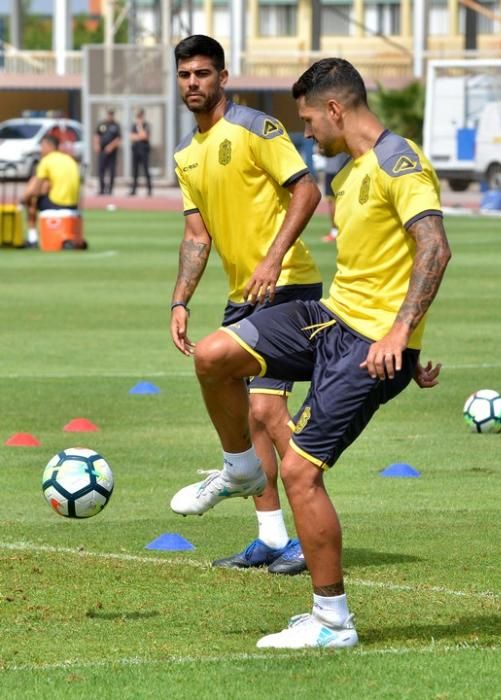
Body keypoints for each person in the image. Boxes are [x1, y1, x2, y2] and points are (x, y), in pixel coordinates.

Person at [171, 58, 452, 648]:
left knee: (299, 471)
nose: (305, 134)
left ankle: (332, 623)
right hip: (332, 321)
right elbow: (385, 266)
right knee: (215, 355)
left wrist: (401, 338)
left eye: (307, 120)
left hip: (371, 345)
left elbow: (434, 248)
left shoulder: (399, 160)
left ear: (334, 108)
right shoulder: (349, 174)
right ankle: (241, 467)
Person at [169, 35, 323, 576]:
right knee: (252, 417)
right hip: (242, 296)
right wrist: (180, 299)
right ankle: (271, 538)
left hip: (288, 287)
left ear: (223, 77)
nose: (194, 83)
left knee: (267, 412)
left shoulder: (257, 128)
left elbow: (306, 190)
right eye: (186, 74)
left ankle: (309, 538)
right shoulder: (186, 154)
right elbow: (196, 235)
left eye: (203, 74)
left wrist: (273, 260)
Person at [20, 134, 80, 248]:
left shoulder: (46, 161)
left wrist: (24, 199)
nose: (41, 150)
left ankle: (32, 239)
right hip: (73, 204)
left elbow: (35, 188)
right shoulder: (69, 159)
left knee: (31, 201)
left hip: (56, 203)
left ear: (49, 146)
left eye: (42, 146)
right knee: (45, 186)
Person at [93, 108, 121, 195]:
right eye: (109, 114)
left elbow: (118, 138)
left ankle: (110, 190)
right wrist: (96, 145)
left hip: (112, 152)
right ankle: (102, 189)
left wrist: (111, 146)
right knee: (101, 170)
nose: (110, 116)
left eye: (111, 114)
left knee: (112, 171)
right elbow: (96, 135)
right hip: (102, 150)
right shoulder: (102, 124)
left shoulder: (116, 125)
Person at [321, 153, 347, 242]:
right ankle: (337, 231)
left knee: (333, 201)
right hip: (343, 168)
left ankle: (335, 231)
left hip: (335, 169)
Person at [129, 108, 152, 196]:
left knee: (146, 170)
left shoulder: (146, 125)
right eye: (138, 116)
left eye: (140, 116)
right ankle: (134, 190)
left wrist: (140, 128)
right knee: (135, 170)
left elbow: (145, 136)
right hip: (135, 150)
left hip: (144, 150)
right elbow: (131, 137)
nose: (139, 118)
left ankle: (149, 189)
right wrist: (139, 136)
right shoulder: (134, 126)